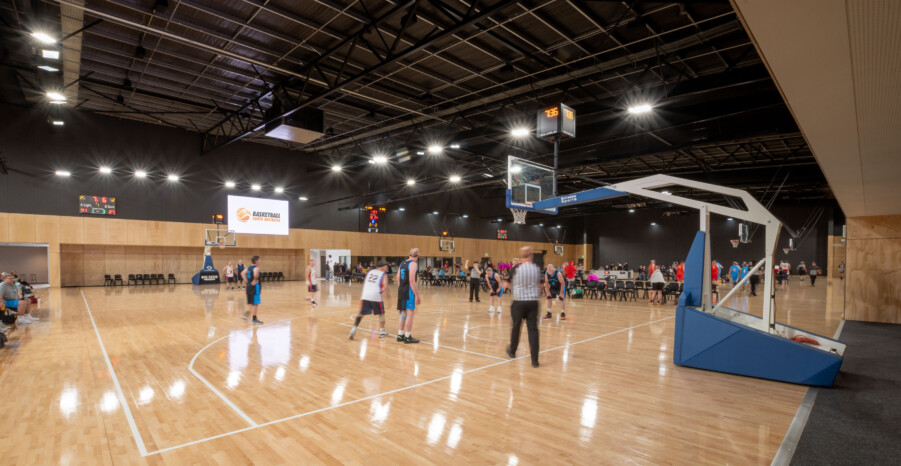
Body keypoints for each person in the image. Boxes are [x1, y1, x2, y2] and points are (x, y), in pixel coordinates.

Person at [504, 246, 542, 368]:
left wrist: (515, 289)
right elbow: (540, 286)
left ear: (522, 255)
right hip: (533, 302)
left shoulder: (516, 268)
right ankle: (534, 360)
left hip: (519, 301)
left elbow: (507, 283)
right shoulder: (536, 268)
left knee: (516, 326)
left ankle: (513, 351)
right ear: (531, 255)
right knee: (533, 330)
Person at [349, 261, 391, 340]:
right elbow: (385, 286)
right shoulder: (383, 274)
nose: (386, 268)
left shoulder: (370, 272)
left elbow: (367, 283)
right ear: (382, 267)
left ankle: (354, 328)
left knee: (361, 313)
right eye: (386, 266)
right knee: (381, 313)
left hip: (365, 295)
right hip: (375, 295)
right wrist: (388, 298)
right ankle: (382, 331)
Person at [396, 248, 422, 344]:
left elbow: (397, 277)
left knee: (403, 313)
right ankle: (407, 336)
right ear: (417, 256)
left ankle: (400, 334)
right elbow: (412, 281)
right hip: (409, 291)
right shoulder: (413, 264)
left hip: (401, 290)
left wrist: (400, 289)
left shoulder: (402, 263)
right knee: (410, 313)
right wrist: (417, 295)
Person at [243, 256, 263, 325]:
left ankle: (246, 314)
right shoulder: (256, 268)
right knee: (255, 303)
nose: (260, 261)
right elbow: (255, 274)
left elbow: (242, 273)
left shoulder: (248, 267)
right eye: (259, 260)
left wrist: (246, 281)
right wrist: (255, 280)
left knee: (252, 302)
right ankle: (254, 319)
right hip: (255, 287)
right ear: (256, 261)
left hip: (249, 286)